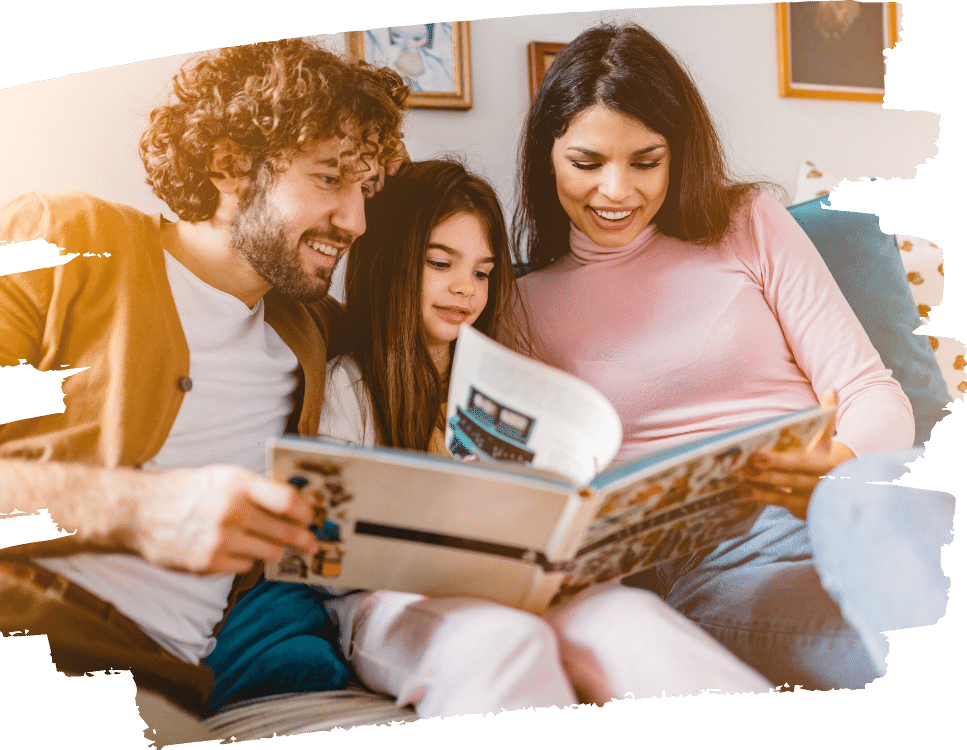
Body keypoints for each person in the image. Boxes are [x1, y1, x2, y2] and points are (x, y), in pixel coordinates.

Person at [0, 38, 408, 715]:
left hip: (164, 676)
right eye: (330, 177)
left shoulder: (309, 332)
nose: (358, 220)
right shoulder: (64, 238)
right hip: (16, 617)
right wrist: (144, 510)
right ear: (228, 166)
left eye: (366, 189)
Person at [510, 23, 917, 690]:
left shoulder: (747, 222)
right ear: (545, 157)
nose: (616, 192)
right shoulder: (517, 309)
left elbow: (871, 391)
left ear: (679, 153)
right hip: (717, 569)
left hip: (853, 505)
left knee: (906, 521)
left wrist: (841, 467)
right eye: (587, 164)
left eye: (646, 162)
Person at [315, 159, 774, 718]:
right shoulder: (347, 386)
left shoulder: (503, 379)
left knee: (634, 623)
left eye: (483, 273)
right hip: (394, 602)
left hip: (524, 587)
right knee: (506, 643)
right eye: (441, 264)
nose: (465, 289)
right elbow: (330, 546)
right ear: (390, 263)